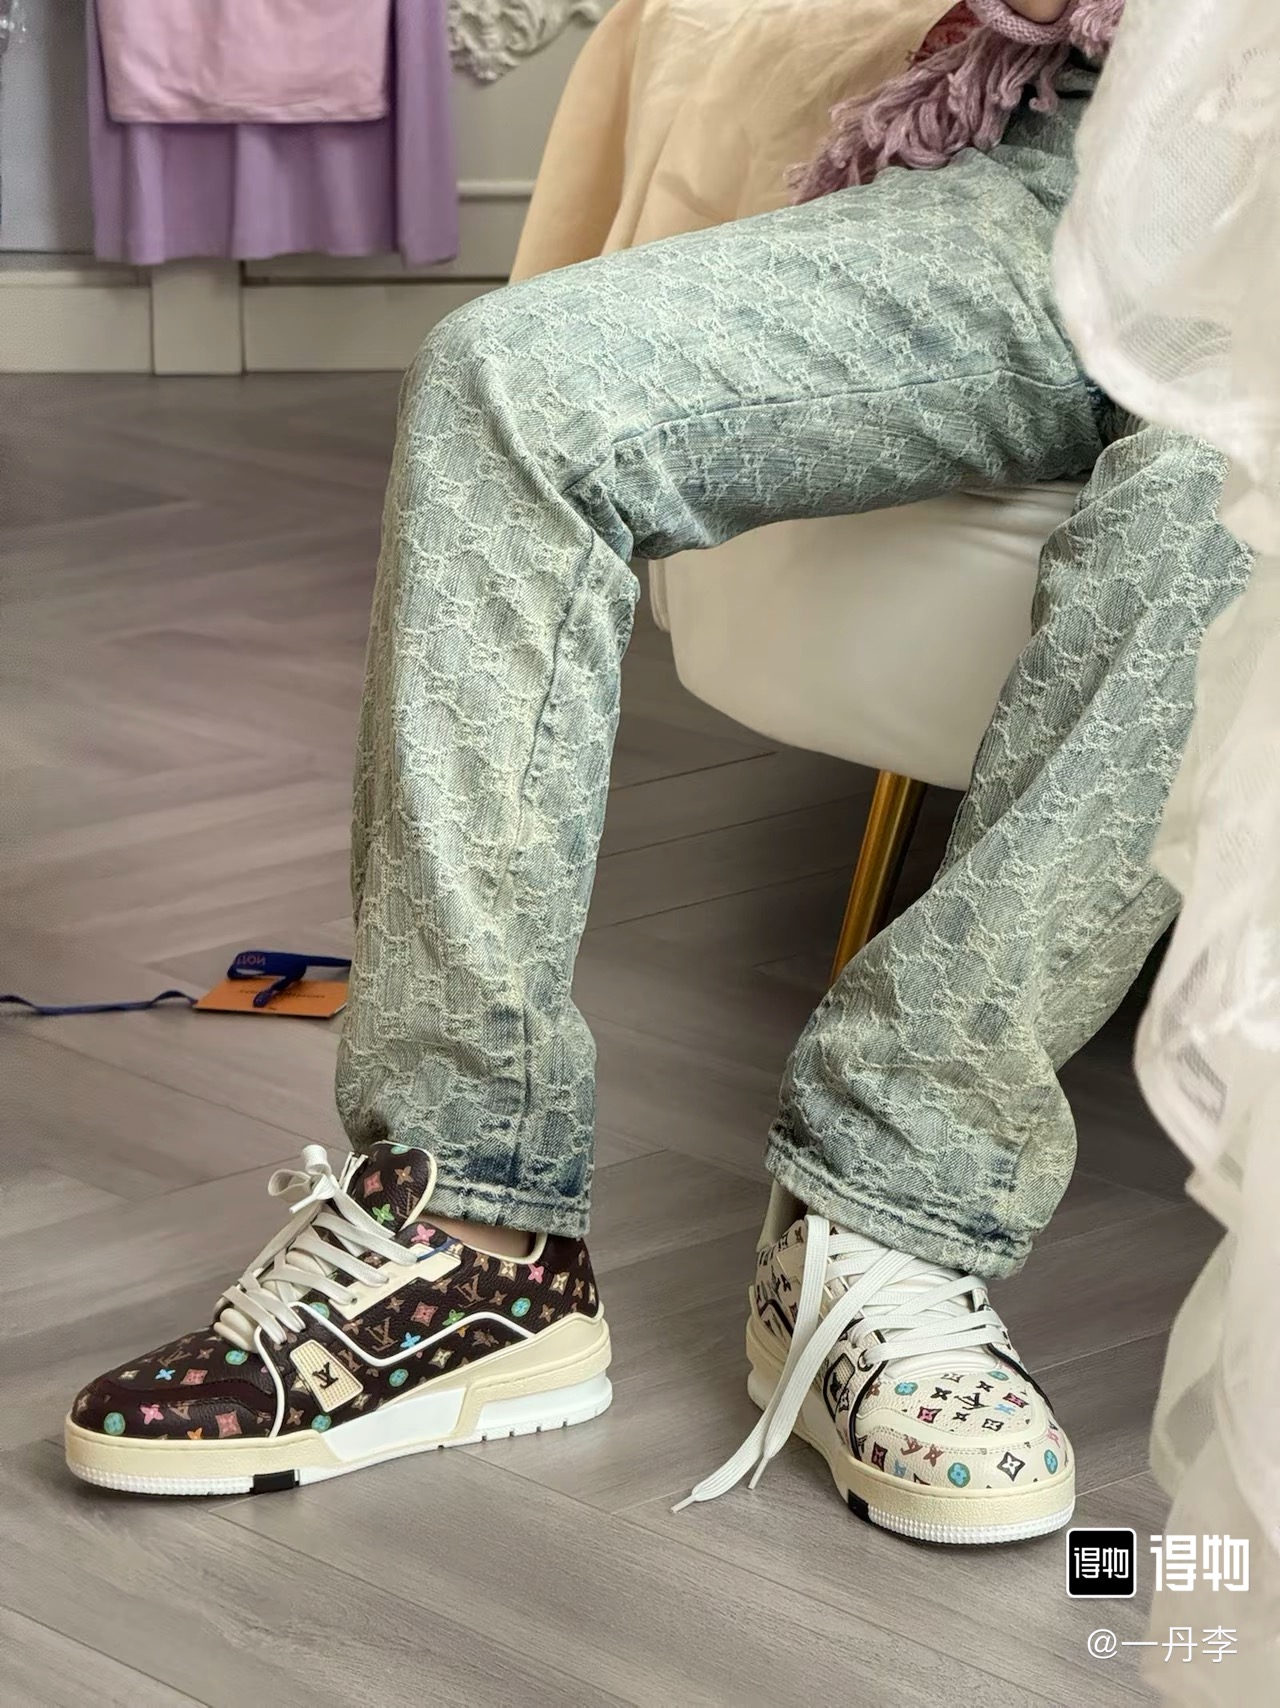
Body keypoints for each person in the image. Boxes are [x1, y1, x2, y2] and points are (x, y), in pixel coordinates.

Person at [64, 0, 1251, 1545]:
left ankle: (889, 1210)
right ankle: (473, 1232)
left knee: (1228, 516)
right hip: (1081, 156)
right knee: (512, 384)